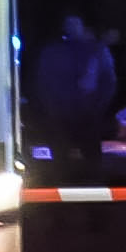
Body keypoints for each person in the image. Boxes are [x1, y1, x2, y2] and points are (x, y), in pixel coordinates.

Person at [29, 14, 115, 165]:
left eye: (76, 23)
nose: (72, 27)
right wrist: (51, 107)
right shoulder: (53, 52)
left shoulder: (96, 51)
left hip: (88, 114)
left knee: (92, 158)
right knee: (60, 158)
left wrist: (98, 107)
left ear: (83, 26)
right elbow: (43, 82)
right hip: (60, 114)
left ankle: (93, 181)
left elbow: (108, 81)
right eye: (69, 23)